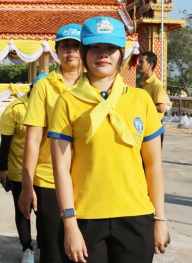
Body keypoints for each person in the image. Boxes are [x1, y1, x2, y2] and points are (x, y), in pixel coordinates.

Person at [48, 16, 170, 263]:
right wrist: (69, 224)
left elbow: (154, 164)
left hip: (137, 215)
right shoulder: (67, 102)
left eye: (111, 48)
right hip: (86, 217)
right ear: (83, 52)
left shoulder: (141, 100)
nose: (103, 55)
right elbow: (61, 167)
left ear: (122, 54)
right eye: (95, 47)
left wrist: (160, 219)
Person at [18, 23, 83, 263]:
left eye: (77, 46)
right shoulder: (45, 86)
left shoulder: (94, 85)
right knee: (54, 250)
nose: (71, 51)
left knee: (84, 250)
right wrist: (27, 187)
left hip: (87, 178)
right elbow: (33, 140)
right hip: (49, 178)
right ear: (57, 51)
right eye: (65, 46)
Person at [0, 73, 46, 263]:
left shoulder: (54, 105)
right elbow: (5, 143)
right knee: (23, 210)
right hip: (20, 171)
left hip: (46, 172)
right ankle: (27, 248)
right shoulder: (15, 109)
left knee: (45, 212)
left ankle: (44, 244)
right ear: (32, 89)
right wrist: (2, 169)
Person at [138, 51, 165, 145]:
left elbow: (161, 108)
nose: (139, 64)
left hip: (154, 129)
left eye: (142, 62)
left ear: (150, 65)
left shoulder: (156, 84)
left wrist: (143, 104)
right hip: (145, 127)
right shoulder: (144, 84)